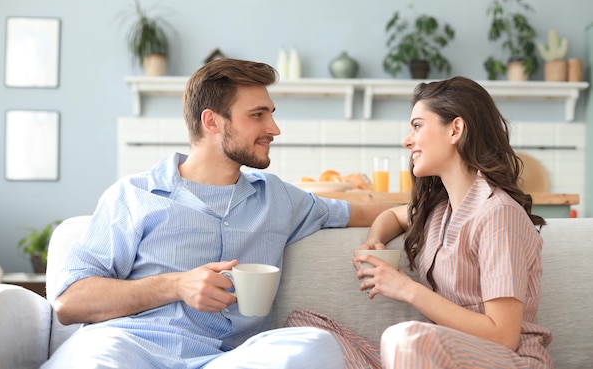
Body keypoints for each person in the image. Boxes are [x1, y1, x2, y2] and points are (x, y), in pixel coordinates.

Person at [42, 58, 391, 369]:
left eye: (271, 113)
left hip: (231, 358)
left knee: (313, 345)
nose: (274, 128)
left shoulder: (278, 198)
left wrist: (417, 211)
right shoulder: (134, 195)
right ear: (212, 121)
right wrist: (176, 285)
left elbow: (369, 209)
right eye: (258, 115)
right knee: (93, 357)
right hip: (131, 348)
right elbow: (70, 300)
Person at [353, 77, 553, 369]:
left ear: (455, 130)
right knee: (308, 326)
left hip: (507, 361)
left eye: (417, 125)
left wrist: (408, 289)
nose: (407, 140)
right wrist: (375, 240)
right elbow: (394, 216)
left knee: (405, 338)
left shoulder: (498, 215)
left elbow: (503, 335)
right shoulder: (441, 211)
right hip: (437, 358)